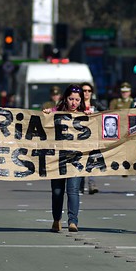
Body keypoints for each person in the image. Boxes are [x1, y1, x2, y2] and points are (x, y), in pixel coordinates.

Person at [43, 84, 86, 233]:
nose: (74, 103)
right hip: (57, 158)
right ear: (65, 99)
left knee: (73, 190)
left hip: (76, 159)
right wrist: (47, 114)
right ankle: (56, 220)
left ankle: (73, 221)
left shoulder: (87, 116)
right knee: (57, 191)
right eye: (71, 99)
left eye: (77, 100)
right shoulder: (56, 112)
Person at [79, 82, 106, 194]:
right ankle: (79, 185)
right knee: (80, 159)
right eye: (84, 90)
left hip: (93, 136)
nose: (86, 93)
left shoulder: (95, 103)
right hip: (79, 137)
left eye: (89, 91)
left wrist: (95, 113)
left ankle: (91, 183)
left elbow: (107, 111)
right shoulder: (77, 104)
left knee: (91, 159)